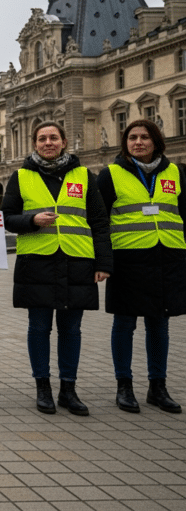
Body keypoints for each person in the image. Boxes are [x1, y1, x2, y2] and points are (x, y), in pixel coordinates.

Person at [2, 121, 112, 416]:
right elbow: (6, 218)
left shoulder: (84, 176)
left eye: (53, 138)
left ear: (64, 141)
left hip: (77, 261)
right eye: (41, 139)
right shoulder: (21, 176)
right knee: (38, 328)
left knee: (71, 329)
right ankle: (43, 388)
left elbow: (100, 221)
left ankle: (68, 389)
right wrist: (31, 221)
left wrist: (103, 263)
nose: (47, 143)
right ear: (34, 144)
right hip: (36, 262)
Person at [97, 120, 183, 413]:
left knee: (160, 323)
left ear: (156, 141)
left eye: (144, 137)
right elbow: (99, 221)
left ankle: (158, 387)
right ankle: (124, 386)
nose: (138, 142)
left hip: (167, 258)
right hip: (127, 260)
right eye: (132, 137)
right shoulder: (111, 175)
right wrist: (103, 261)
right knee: (124, 324)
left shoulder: (176, 172)